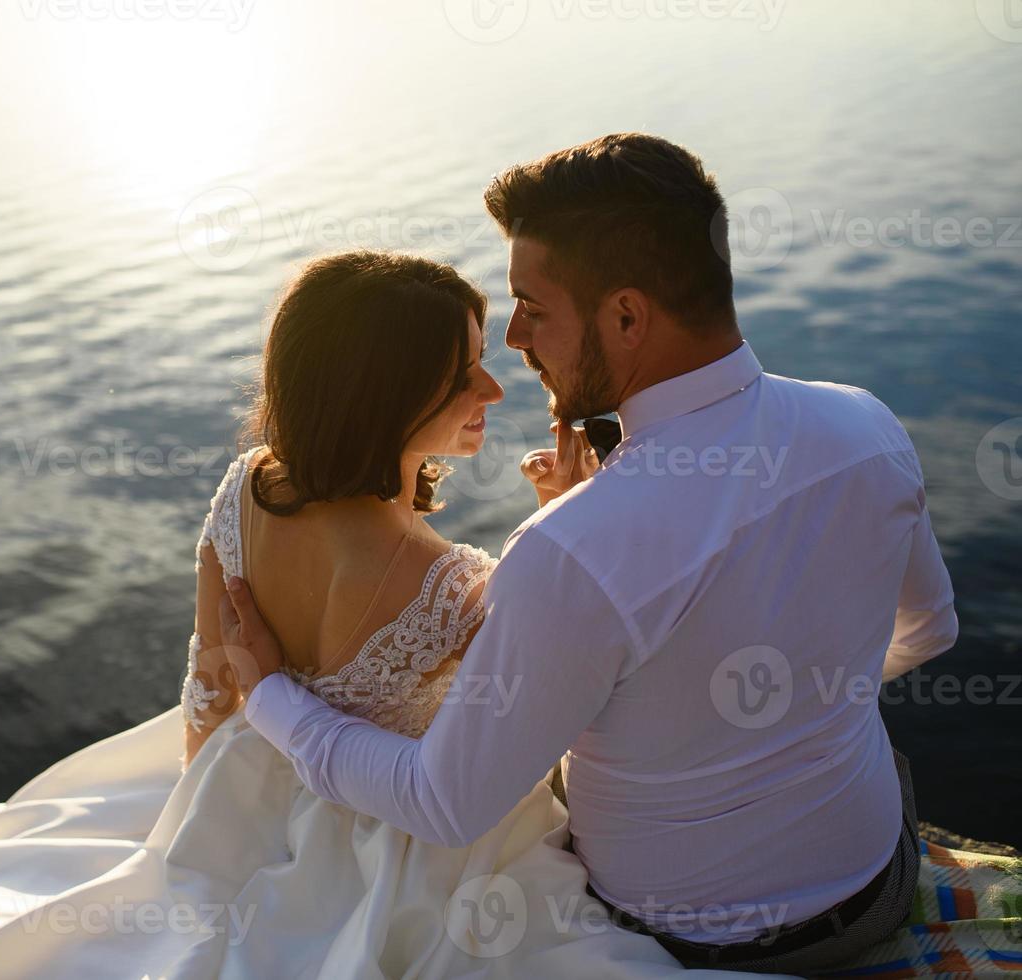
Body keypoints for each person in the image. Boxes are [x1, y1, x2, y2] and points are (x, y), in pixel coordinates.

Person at [0, 250, 753, 978]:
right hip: (396, 839)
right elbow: (528, 742)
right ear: (381, 397)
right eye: (458, 370)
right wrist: (565, 526)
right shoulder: (452, 579)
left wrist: (208, 816)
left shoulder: (251, 483)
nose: (491, 382)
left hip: (237, 783)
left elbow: (210, 684)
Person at [220, 133, 959, 975]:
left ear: (628, 316)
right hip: (876, 882)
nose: (513, 338)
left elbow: (443, 801)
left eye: (533, 307)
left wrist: (271, 696)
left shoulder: (570, 549)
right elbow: (928, 630)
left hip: (687, 935)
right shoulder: (868, 426)